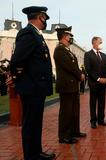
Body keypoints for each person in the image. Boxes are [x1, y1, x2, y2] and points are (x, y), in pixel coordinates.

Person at [9, 6, 55, 160]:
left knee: (35, 123)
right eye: (44, 18)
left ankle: (36, 152)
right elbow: (17, 60)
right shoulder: (28, 33)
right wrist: (17, 77)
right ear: (39, 17)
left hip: (37, 87)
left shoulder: (36, 34)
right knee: (30, 124)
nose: (45, 21)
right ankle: (31, 156)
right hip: (32, 87)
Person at [54, 26, 87, 144]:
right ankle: (64, 136)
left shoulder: (67, 50)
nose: (71, 38)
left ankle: (74, 131)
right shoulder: (59, 50)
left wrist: (80, 74)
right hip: (66, 86)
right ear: (64, 37)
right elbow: (70, 67)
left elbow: (74, 66)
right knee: (66, 111)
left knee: (74, 110)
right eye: (69, 36)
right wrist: (80, 75)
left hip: (72, 85)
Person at [84, 36, 106, 129]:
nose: (101, 44)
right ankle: (93, 121)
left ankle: (101, 120)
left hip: (103, 83)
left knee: (102, 102)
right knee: (93, 102)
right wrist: (98, 79)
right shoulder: (88, 54)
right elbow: (88, 70)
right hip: (94, 83)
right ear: (94, 43)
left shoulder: (104, 55)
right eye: (100, 42)